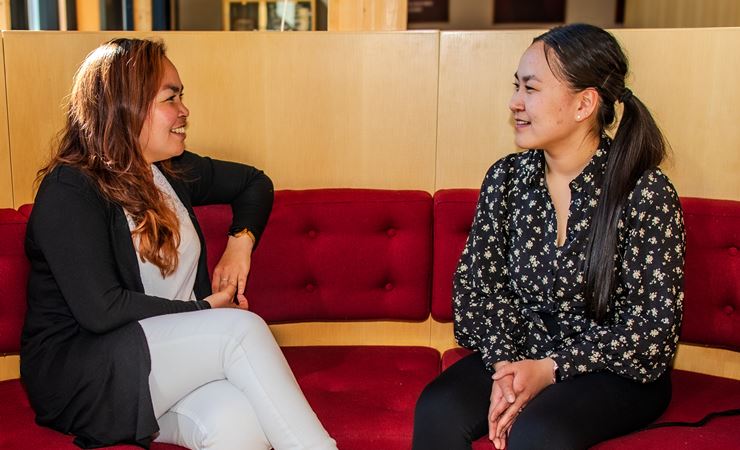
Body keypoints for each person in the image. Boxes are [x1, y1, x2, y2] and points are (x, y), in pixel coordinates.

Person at [21, 38, 337, 450]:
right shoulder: (70, 189)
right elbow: (102, 310)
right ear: (126, 106)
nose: (184, 110)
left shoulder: (168, 170)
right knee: (240, 331)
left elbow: (254, 183)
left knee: (238, 425)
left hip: (163, 365)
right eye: (171, 98)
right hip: (87, 376)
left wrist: (239, 246)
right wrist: (204, 310)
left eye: (181, 97)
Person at [412, 23, 685, 450]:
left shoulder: (645, 192)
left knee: (538, 434)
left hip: (614, 369)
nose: (515, 102)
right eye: (516, 87)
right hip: (521, 348)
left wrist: (551, 368)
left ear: (584, 104)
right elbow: (476, 291)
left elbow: (652, 330)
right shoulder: (506, 179)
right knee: (437, 409)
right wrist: (506, 367)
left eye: (531, 88)